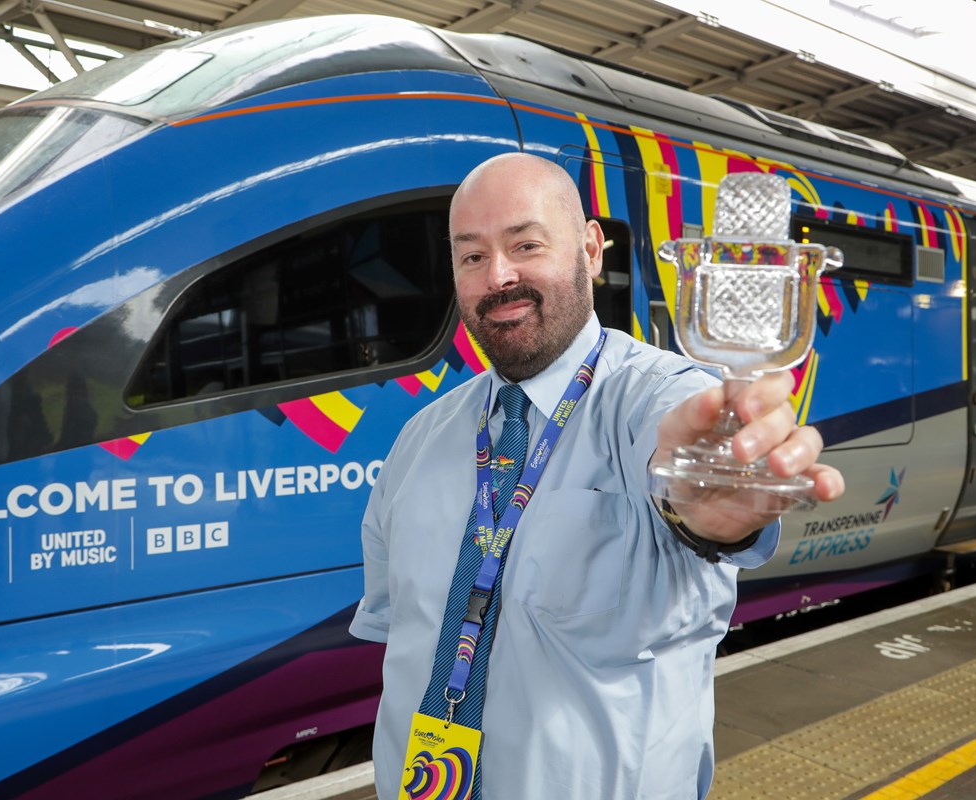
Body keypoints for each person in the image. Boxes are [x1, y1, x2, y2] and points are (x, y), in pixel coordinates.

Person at [349, 152, 845, 800]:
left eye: (525, 244)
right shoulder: (419, 440)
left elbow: (678, 444)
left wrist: (699, 513)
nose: (499, 276)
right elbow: (401, 637)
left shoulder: (655, 395)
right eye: (471, 256)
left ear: (589, 249)